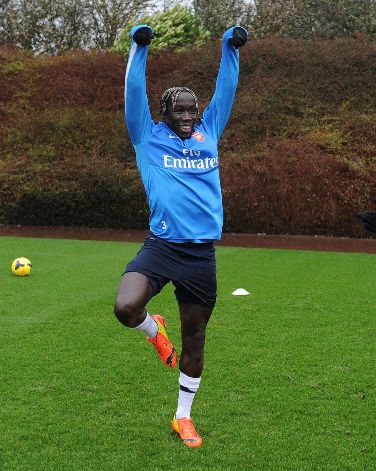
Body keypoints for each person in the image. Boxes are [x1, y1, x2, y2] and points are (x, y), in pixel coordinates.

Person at [114, 23, 248, 448]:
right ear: (165, 113)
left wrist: (230, 46)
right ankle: (155, 331)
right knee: (125, 307)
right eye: (181, 111)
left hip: (200, 256)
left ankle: (183, 417)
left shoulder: (210, 131)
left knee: (196, 339)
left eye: (194, 110)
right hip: (161, 246)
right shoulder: (147, 136)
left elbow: (226, 87)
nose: (189, 116)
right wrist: (140, 46)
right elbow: (133, 91)